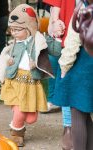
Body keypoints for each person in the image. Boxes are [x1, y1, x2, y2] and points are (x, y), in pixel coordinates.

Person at [0, 4, 53, 147]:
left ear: (29, 28)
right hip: (15, 80)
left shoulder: (38, 42)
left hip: (30, 81)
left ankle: (17, 120)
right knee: (20, 111)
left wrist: (56, 38)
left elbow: (54, 50)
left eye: (17, 29)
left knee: (32, 117)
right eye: (12, 30)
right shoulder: (14, 44)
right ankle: (16, 133)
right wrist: (9, 62)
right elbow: (9, 58)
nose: (13, 33)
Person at [53, 0, 93, 149]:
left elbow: (72, 42)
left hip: (82, 67)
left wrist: (64, 66)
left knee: (77, 112)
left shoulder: (83, 9)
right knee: (85, 111)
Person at [42, 0, 77, 149]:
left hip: (89, 39)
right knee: (65, 84)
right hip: (68, 42)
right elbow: (55, 9)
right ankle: (68, 128)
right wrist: (54, 23)